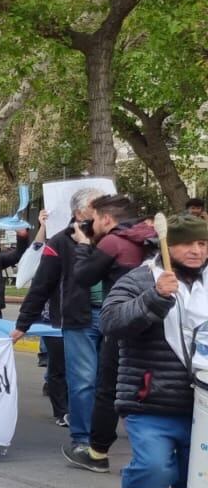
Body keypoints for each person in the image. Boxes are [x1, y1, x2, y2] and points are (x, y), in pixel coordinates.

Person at [102, 215, 208, 488]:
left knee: (201, 479)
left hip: (203, 406)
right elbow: (112, 323)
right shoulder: (140, 279)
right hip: (153, 400)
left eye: (203, 244)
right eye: (188, 243)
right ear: (167, 244)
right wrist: (155, 297)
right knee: (154, 468)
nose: (196, 251)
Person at [68, 194, 158, 472]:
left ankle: (97, 452)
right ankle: (158, 449)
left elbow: (83, 277)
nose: (91, 225)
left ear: (106, 218)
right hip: (156, 322)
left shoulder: (113, 241)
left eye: (94, 219)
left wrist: (84, 246)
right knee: (150, 386)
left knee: (108, 388)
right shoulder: (152, 238)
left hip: (121, 322)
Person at [13, 189, 105, 445]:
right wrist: (23, 324)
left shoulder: (112, 239)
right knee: (83, 378)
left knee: (104, 379)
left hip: (112, 316)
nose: (103, 211)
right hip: (79, 319)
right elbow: (41, 285)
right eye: (97, 206)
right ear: (79, 213)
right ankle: (83, 439)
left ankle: (100, 434)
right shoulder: (60, 242)